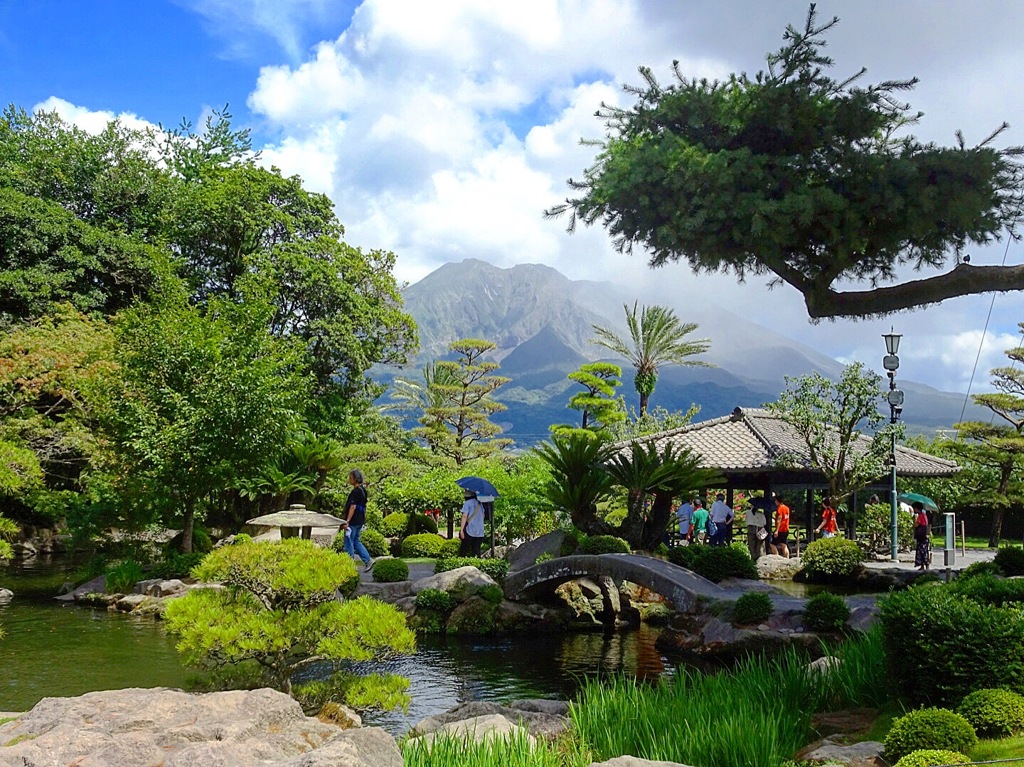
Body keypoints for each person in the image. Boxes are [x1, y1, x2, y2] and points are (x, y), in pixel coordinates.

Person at [342, 469, 373, 571]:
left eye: (350, 477)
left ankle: (349, 565)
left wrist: (347, 521)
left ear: (355, 478)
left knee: (348, 542)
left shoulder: (355, 491)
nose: (349, 479)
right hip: (360, 520)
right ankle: (368, 560)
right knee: (356, 541)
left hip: (353, 521)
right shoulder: (363, 490)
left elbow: (352, 507)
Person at [458, 488, 486, 557]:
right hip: (480, 531)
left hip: (470, 530)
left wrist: (461, 530)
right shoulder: (480, 504)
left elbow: (464, 516)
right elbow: (483, 515)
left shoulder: (467, 503)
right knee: (476, 551)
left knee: (464, 551)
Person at [746, 495, 769, 560]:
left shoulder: (748, 512)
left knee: (751, 545)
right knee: (760, 545)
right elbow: (764, 523)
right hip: (760, 529)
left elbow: (747, 521)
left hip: (751, 528)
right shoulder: (761, 514)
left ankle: (753, 558)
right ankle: (761, 558)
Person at [770, 494, 791, 558]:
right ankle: (787, 558)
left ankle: (777, 557)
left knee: (772, 544)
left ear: (777, 501)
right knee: (784, 544)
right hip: (786, 529)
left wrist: (776, 530)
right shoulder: (787, 508)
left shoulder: (780, 508)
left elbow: (779, 519)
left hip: (780, 530)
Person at [912, 501, 931, 570]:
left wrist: (914, 521)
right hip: (924, 536)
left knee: (921, 551)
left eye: (914, 508)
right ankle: (923, 565)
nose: (914, 510)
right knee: (924, 550)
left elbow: (916, 525)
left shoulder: (920, 516)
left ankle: (924, 564)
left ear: (917, 508)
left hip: (921, 536)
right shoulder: (924, 515)